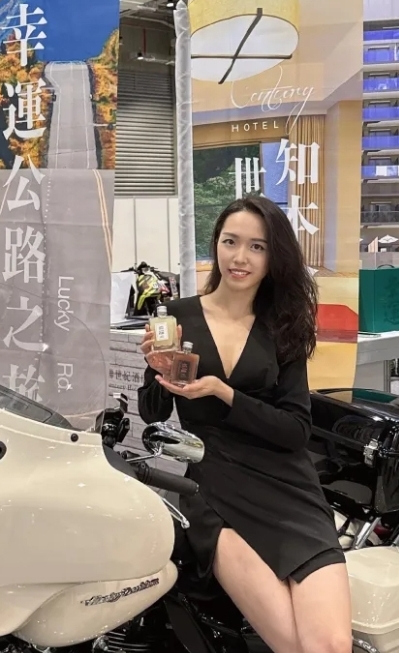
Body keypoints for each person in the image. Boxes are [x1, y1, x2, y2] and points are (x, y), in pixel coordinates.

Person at [137, 196, 352, 653]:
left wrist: (224, 393)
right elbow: (153, 413)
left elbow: (296, 430)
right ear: (215, 244)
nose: (240, 257)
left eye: (257, 247)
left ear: (274, 257)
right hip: (216, 487)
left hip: (289, 489)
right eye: (230, 242)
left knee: (331, 644)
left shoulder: (285, 325)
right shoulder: (178, 316)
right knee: (293, 644)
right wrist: (155, 369)